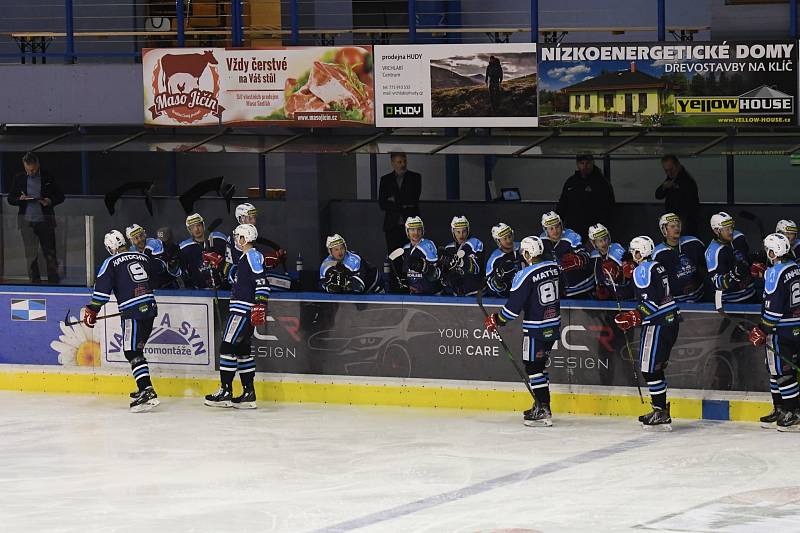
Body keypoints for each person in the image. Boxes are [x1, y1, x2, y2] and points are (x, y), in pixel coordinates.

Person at [484, 236, 562, 427]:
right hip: (553, 325)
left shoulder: (525, 275)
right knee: (540, 366)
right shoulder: (554, 267)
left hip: (536, 328)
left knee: (533, 367)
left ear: (527, 253)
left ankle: (543, 408)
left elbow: (512, 309)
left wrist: (497, 319)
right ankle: (542, 405)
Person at [82, 230, 161, 412]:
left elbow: (102, 291)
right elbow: (154, 280)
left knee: (131, 351)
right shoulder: (142, 257)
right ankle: (144, 387)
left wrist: (92, 309)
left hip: (133, 312)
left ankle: (146, 390)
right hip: (150, 308)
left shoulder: (110, 262)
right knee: (137, 349)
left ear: (110, 247)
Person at [614, 236, 680, 430]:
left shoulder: (642, 270)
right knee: (655, 369)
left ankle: (660, 412)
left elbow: (650, 303)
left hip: (657, 324)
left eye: (634, 251)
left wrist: (632, 317)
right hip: (670, 322)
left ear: (640, 252)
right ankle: (660, 410)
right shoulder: (657, 266)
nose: (632, 255)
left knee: (649, 370)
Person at [204, 224, 270, 409]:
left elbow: (261, 281)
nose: (235, 240)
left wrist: (260, 304)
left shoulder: (252, 255)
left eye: (238, 237)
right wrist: (219, 263)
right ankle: (248, 393)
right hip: (244, 309)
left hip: (242, 310)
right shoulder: (245, 258)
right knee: (242, 351)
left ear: (244, 238)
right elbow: (236, 276)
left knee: (226, 347)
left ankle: (225, 391)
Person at [748, 233, 800, 431]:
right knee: (776, 369)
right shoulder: (795, 267)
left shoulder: (775, 272)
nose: (765, 253)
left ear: (774, 251)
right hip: (796, 325)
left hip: (780, 329)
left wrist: (762, 329)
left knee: (781, 372)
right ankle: (780, 408)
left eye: (767, 250)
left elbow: (774, 309)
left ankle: (792, 412)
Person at [6, 152, 65, 284]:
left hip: (45, 222)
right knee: (31, 256)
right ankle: (35, 283)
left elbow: (60, 196)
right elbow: (10, 198)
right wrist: (19, 199)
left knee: (50, 254)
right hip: (27, 223)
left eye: (32, 169)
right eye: (28, 170)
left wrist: (49, 201)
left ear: (37, 164)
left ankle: (53, 283)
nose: (30, 172)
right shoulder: (19, 178)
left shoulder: (47, 177)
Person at [226, 203, 290, 291]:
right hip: (242, 277)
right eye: (250, 218)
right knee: (287, 283)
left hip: (242, 276)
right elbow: (252, 259)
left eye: (254, 218)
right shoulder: (241, 237)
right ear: (241, 219)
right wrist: (274, 258)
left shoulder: (237, 235)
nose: (254, 221)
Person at [652, 213, 707, 303]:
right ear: (664, 229)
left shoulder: (694, 242)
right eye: (672, 226)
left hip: (701, 296)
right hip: (676, 301)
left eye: (678, 225)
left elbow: (707, 267)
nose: (677, 228)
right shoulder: (657, 254)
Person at [556, 154, 615, 237]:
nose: (585, 166)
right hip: (573, 230)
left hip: (595, 233)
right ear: (577, 164)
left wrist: (601, 232)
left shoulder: (602, 183)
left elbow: (609, 209)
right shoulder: (571, 182)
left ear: (592, 163)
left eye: (588, 163)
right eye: (582, 163)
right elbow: (562, 205)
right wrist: (557, 226)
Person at [540, 211, 594, 298]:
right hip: (558, 289)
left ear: (561, 225)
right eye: (551, 228)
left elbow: (586, 255)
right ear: (545, 230)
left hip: (581, 286)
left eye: (557, 226)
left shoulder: (571, 236)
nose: (555, 231)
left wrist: (579, 259)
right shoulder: (541, 240)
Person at [705, 212, 755, 303]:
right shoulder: (713, 252)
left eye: (731, 227)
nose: (731, 231)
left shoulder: (739, 237)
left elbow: (746, 260)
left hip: (751, 294)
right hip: (731, 302)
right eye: (726, 229)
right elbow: (717, 283)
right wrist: (734, 275)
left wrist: (755, 260)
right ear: (717, 231)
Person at [378, 152, 421, 254]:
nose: (403, 164)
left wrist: (393, 201)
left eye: (404, 161)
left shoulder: (415, 177)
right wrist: (403, 204)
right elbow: (382, 203)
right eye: (399, 162)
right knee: (394, 255)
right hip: (392, 226)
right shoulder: (385, 180)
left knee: (412, 254)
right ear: (393, 163)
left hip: (411, 225)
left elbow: (413, 200)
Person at [178, 213, 229, 289]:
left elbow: (230, 259)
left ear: (203, 225)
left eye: (198, 225)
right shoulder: (184, 247)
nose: (196, 229)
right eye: (192, 227)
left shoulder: (219, 238)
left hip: (222, 288)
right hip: (200, 291)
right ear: (189, 230)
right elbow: (180, 271)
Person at [655, 155, 700, 237]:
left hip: (684, 223)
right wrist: (664, 187)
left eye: (671, 169)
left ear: (677, 166)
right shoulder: (671, 179)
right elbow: (658, 195)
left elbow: (690, 206)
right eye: (666, 170)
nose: (669, 173)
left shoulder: (686, 181)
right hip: (674, 221)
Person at [126, 224, 181, 289]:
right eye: (136, 238)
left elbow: (161, 266)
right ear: (131, 241)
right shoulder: (131, 252)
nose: (140, 239)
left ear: (145, 234)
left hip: (169, 285)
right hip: (151, 289)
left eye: (141, 235)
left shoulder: (155, 243)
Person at [440, 216, 483, 297]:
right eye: (458, 232)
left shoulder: (475, 243)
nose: (461, 235)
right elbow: (445, 275)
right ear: (453, 232)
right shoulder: (448, 248)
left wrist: (459, 263)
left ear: (468, 231)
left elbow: (475, 269)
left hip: (475, 294)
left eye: (464, 231)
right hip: (456, 295)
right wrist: (447, 279)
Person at [588, 223, 632, 301]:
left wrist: (619, 271)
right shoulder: (593, 256)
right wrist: (601, 290)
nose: (603, 243)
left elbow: (630, 271)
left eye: (605, 239)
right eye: (599, 241)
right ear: (593, 243)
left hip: (624, 296)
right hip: (606, 298)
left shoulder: (617, 250)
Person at [400, 216, 441, 295]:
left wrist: (426, 268)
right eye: (412, 230)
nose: (416, 233)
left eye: (419, 229)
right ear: (407, 231)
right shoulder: (405, 248)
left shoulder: (427, 245)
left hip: (430, 295)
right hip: (414, 294)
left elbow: (436, 274)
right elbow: (407, 272)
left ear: (422, 230)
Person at [485, 222, 523, 298]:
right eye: (505, 238)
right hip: (506, 298)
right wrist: (498, 280)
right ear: (498, 241)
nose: (509, 240)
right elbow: (491, 288)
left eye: (509, 236)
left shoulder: (523, 247)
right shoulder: (494, 259)